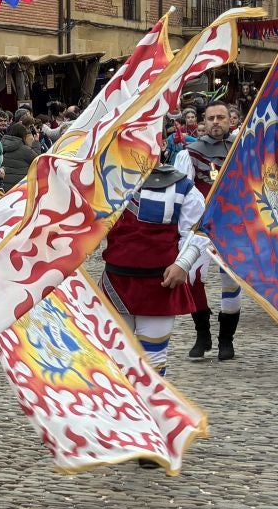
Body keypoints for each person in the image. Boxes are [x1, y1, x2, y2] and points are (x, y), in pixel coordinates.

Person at [100, 161, 209, 378]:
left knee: (153, 363)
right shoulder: (107, 181)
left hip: (159, 285)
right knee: (114, 359)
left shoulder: (183, 187)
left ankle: (149, 410)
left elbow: (198, 230)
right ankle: (123, 411)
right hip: (115, 283)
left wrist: (183, 264)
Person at [184, 103, 243, 361]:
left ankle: (226, 340)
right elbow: (182, 192)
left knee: (232, 283)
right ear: (203, 122)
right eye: (211, 118)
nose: (216, 122)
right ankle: (202, 334)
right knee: (194, 279)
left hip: (234, 227)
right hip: (201, 227)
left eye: (221, 117)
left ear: (229, 121)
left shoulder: (243, 150)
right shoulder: (190, 154)